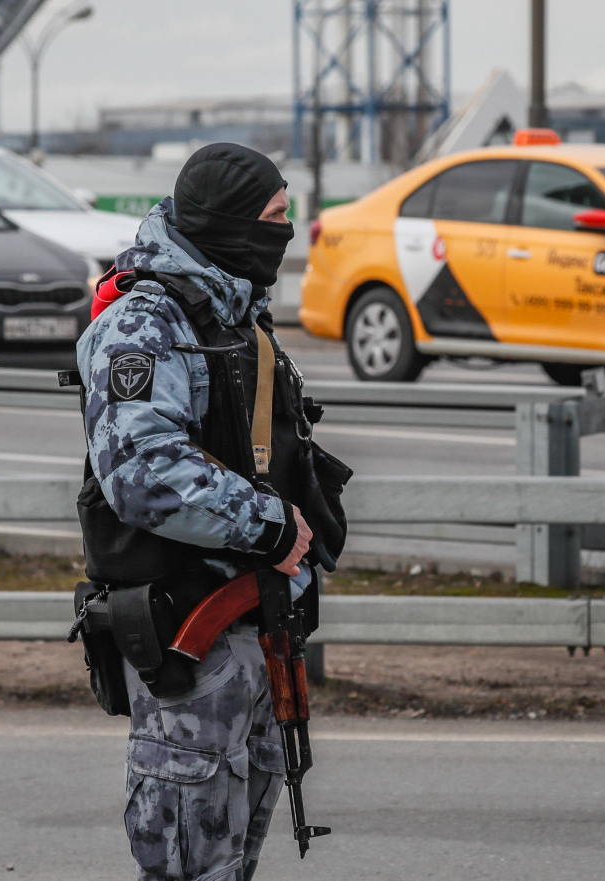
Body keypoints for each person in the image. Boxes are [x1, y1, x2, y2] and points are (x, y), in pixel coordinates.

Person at [75, 143, 346, 881]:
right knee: (190, 867)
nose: (286, 233)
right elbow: (140, 469)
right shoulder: (144, 323)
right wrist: (271, 523)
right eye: (275, 217)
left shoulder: (235, 313)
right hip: (189, 639)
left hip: (254, 632)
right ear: (228, 223)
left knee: (229, 864)